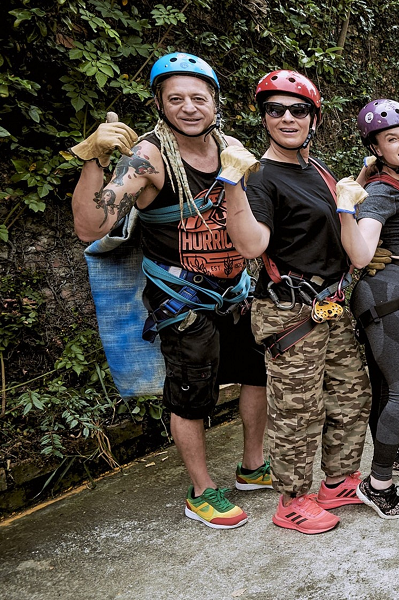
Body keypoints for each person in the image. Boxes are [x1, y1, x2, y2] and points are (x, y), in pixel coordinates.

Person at [69, 52, 269, 529]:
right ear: (159, 104)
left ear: (215, 102)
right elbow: (90, 226)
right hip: (183, 300)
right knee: (191, 395)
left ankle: (252, 466)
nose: (189, 107)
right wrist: (94, 159)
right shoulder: (148, 158)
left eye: (199, 97)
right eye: (175, 99)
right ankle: (200, 491)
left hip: (235, 291)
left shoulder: (230, 148)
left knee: (256, 374)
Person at [223, 70, 372, 535]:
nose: (287, 118)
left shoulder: (318, 171)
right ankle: (291, 501)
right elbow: (252, 244)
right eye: (275, 110)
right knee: (297, 411)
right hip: (290, 311)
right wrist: (231, 185)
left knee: (351, 396)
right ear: (263, 117)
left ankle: (338, 482)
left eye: (298, 110)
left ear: (314, 118)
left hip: (331, 305)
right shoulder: (260, 178)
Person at [337, 99, 399, 518]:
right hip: (383, 295)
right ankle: (378, 484)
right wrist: (347, 209)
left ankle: (388, 455)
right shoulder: (381, 192)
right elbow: (361, 254)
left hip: (397, 291)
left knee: (385, 386)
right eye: (392, 139)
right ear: (377, 149)